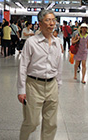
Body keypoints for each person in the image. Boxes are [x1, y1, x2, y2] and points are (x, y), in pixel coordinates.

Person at [17, 9, 63, 140]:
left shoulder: (57, 42)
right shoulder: (31, 42)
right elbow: (23, 66)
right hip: (33, 85)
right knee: (31, 122)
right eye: (48, 20)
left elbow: (59, 65)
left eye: (53, 20)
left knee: (51, 123)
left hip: (52, 85)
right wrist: (21, 89)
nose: (51, 23)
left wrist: (58, 85)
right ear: (40, 23)